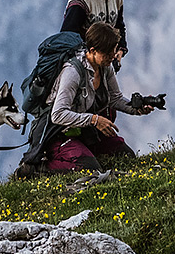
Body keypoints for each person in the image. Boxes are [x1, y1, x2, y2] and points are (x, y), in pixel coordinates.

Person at [33, 22, 151, 172]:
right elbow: (57, 115)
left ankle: (85, 151)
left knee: (125, 155)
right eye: (108, 54)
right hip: (58, 133)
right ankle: (38, 168)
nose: (112, 57)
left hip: (83, 131)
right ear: (93, 51)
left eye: (113, 52)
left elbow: (115, 98)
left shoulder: (105, 67)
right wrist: (94, 120)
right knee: (88, 168)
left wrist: (138, 109)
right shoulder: (72, 72)